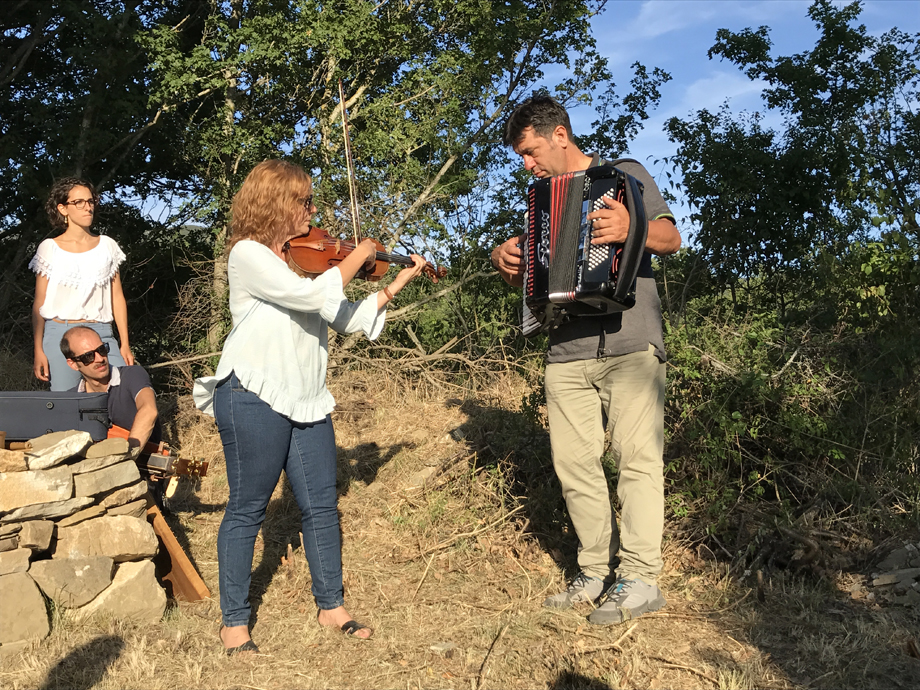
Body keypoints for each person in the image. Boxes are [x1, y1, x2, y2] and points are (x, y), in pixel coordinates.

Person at [193, 159, 426, 655]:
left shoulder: (304, 261)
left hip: (306, 396)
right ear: (276, 202)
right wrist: (358, 254)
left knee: (321, 505)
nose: (313, 211)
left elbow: (344, 317)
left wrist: (395, 283)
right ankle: (234, 622)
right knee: (248, 508)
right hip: (253, 392)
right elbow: (305, 297)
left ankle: (331, 606)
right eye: (304, 201)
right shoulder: (248, 254)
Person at [491, 95, 681, 625]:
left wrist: (631, 228)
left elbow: (670, 238)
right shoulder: (539, 202)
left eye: (530, 151)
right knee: (575, 467)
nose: (526, 164)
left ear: (560, 135)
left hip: (630, 343)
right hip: (565, 350)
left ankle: (641, 579)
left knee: (637, 461)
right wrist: (504, 260)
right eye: (521, 156)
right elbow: (534, 276)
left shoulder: (625, 175)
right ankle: (595, 571)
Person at [31, 177, 134, 391]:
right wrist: (38, 349)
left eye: (90, 201)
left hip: (101, 333)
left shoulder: (107, 246)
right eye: (79, 202)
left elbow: (117, 297)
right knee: (66, 400)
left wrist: (125, 343)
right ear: (63, 208)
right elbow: (39, 303)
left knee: (120, 392)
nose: (87, 207)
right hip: (60, 334)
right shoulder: (49, 248)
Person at [61, 325, 160, 451]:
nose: (100, 359)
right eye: (88, 356)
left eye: (102, 349)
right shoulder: (71, 401)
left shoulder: (132, 375)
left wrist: (127, 455)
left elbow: (149, 410)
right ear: (73, 364)